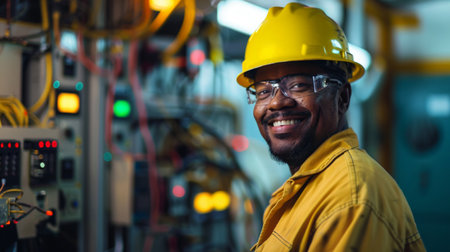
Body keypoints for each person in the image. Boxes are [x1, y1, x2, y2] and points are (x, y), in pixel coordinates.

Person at [236, 3, 426, 251]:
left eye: (299, 85)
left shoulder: (350, 197)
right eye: (263, 91)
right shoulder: (310, 188)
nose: (276, 102)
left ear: (343, 97)